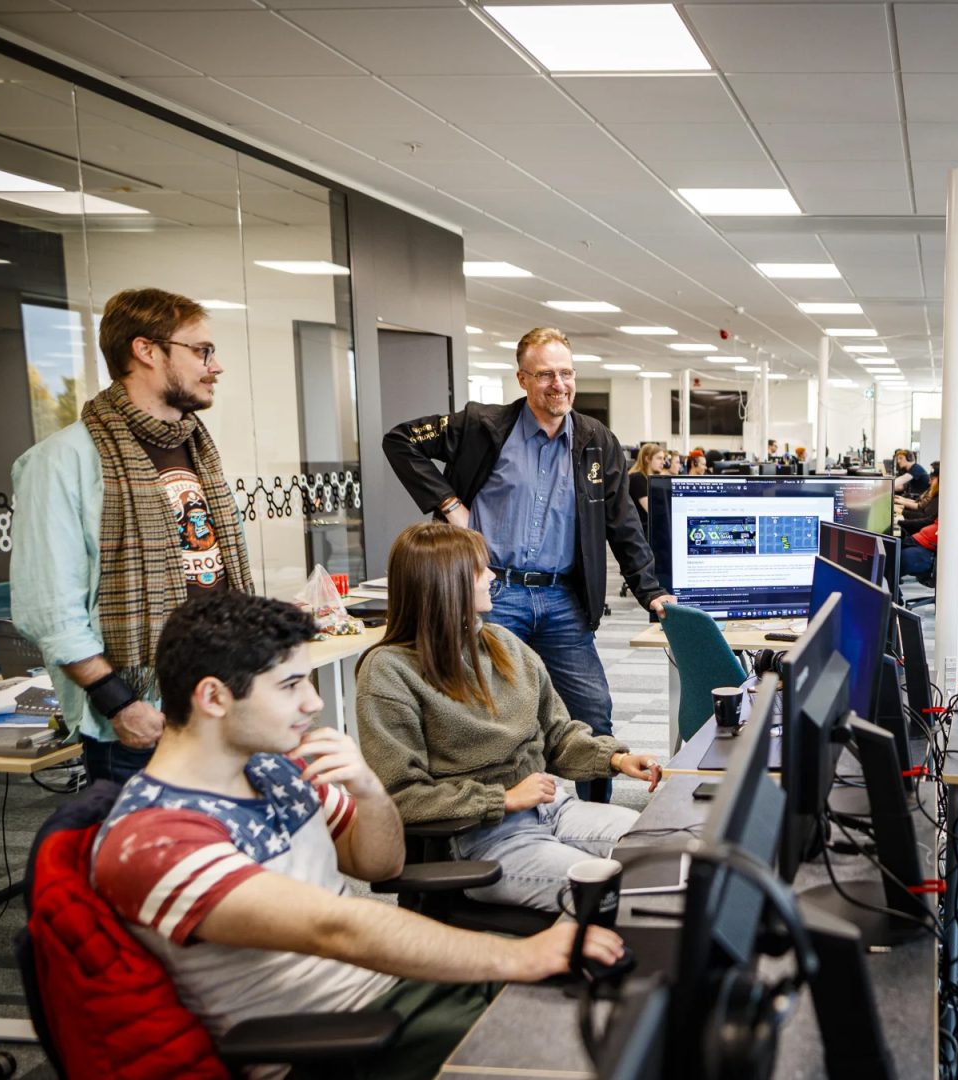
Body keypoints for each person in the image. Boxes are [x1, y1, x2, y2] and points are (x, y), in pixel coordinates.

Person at [90, 590, 627, 1078]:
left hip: (398, 985)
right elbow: (336, 928)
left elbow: (380, 866)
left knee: (621, 1006)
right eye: (291, 685)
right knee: (597, 1046)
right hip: (343, 1039)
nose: (314, 703)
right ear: (213, 698)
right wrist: (522, 955)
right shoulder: (153, 839)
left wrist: (368, 790)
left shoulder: (273, 770)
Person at [383, 327, 671, 803]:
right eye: (544, 375)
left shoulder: (596, 441)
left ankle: (595, 813)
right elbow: (399, 440)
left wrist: (651, 590)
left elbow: (624, 526)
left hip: (563, 599)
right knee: (486, 716)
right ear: (522, 379)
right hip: (493, 594)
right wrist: (449, 502)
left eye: (566, 373)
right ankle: (496, 814)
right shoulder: (480, 426)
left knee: (592, 714)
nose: (558, 384)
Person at [13, 288, 256, 785]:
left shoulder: (198, 450)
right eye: (202, 350)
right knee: (155, 862)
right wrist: (118, 703)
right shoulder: (62, 461)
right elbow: (51, 610)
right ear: (146, 350)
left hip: (224, 703)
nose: (216, 366)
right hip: (143, 720)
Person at [357, 523, 660, 909]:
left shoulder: (504, 645)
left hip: (552, 810)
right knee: (614, 894)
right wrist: (505, 799)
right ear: (446, 583)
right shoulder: (389, 671)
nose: (493, 577)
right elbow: (398, 796)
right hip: (479, 838)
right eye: (481, 569)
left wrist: (615, 758)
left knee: (668, 854)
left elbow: (557, 734)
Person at [627, 441, 668, 515]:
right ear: (647, 459)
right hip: (642, 526)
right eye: (659, 458)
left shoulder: (649, 479)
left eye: (663, 458)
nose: (663, 462)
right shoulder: (637, 478)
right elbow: (653, 511)